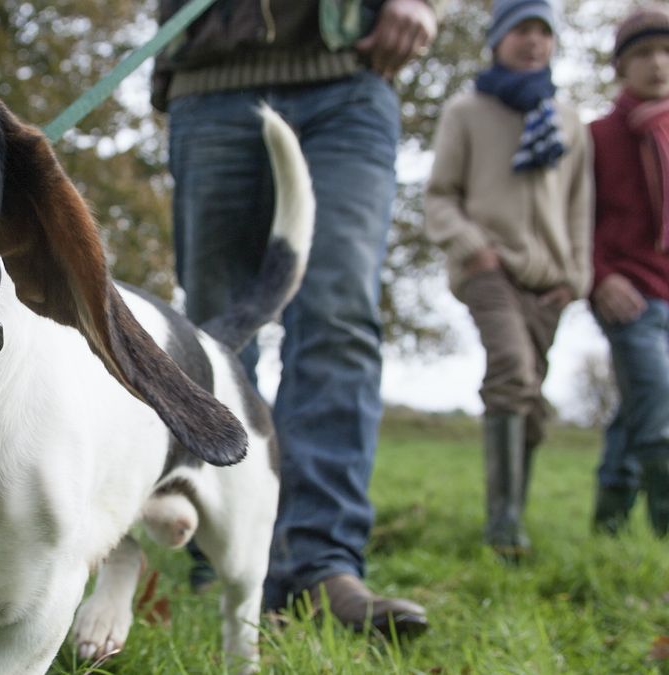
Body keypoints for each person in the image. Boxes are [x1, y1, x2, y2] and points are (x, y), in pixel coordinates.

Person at [153, 0, 437, 635]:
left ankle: (323, 566)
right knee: (214, 335)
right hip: (210, 80)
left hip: (349, 76)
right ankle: (219, 562)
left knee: (339, 319)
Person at [424, 0, 591, 559]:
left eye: (544, 31)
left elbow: (578, 206)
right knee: (512, 371)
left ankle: (513, 509)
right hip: (488, 269)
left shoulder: (567, 119)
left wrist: (577, 277)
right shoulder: (466, 111)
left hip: (552, 280)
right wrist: (475, 248)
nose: (534, 41)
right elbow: (440, 195)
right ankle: (503, 527)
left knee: (531, 401)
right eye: (522, 29)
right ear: (497, 38)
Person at [587, 6, 669, 538]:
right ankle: (666, 530)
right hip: (629, 295)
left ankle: (609, 522)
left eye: (666, 52)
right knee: (660, 407)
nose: (658, 64)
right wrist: (599, 278)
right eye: (642, 54)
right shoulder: (597, 137)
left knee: (637, 407)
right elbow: (575, 221)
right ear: (620, 66)